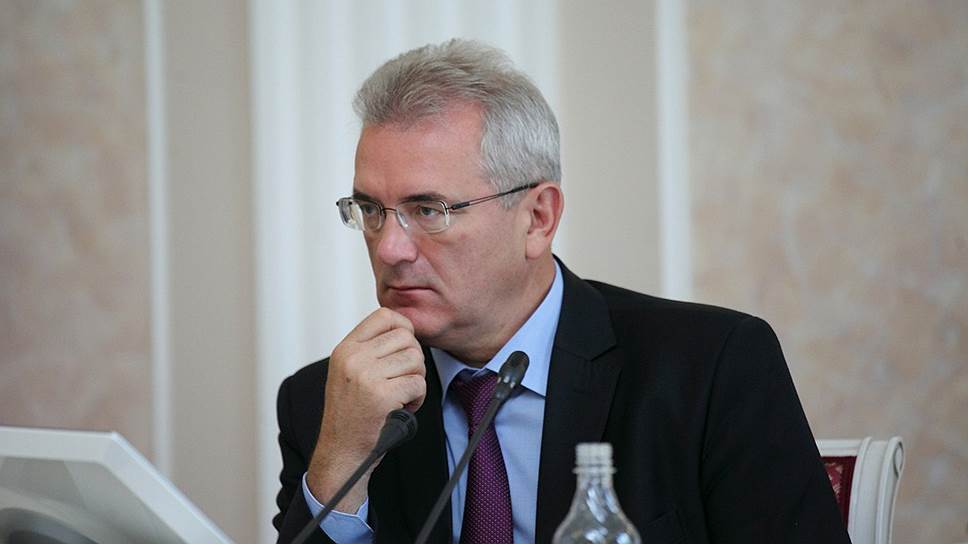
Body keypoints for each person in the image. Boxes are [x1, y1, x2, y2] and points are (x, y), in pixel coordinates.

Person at [273, 39, 850, 544]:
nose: (390, 248)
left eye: (429, 210)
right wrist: (339, 461)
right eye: (371, 210)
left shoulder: (708, 368)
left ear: (538, 218)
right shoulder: (325, 404)